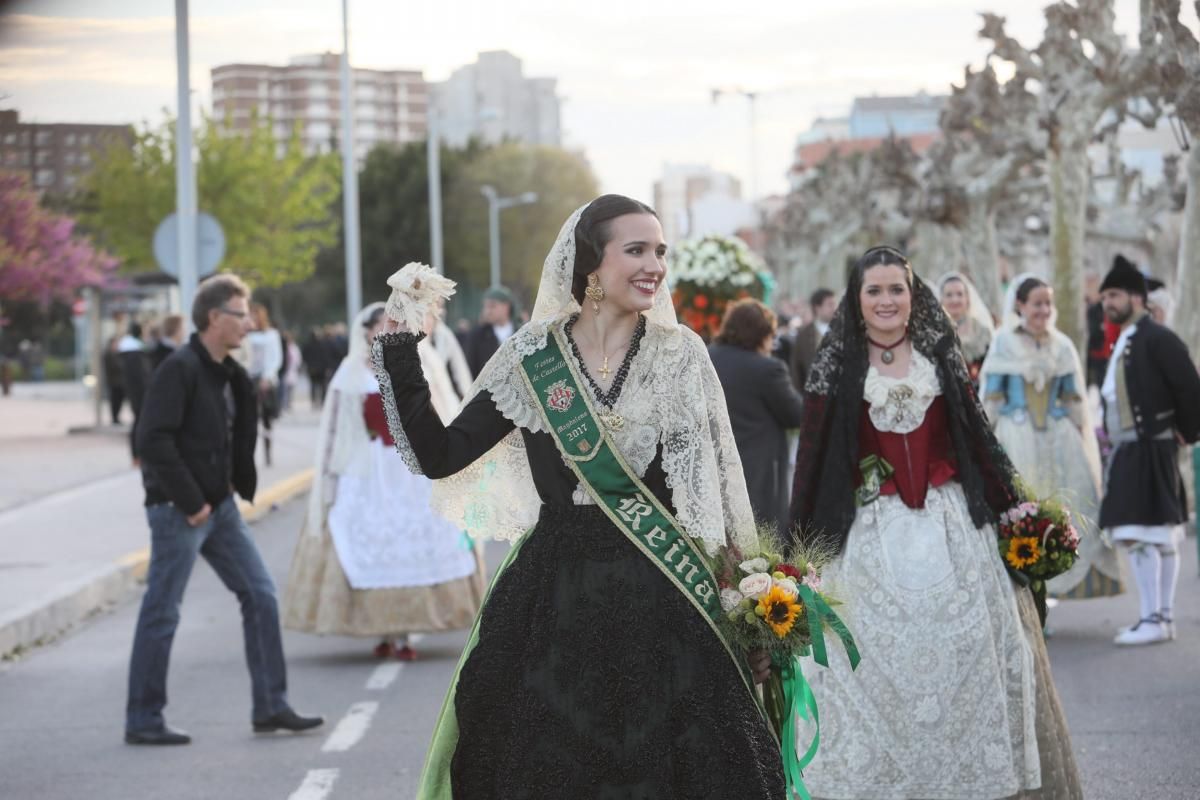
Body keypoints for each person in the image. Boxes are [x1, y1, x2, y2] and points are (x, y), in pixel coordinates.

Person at [374, 195, 784, 798]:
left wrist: (747, 603)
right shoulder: (531, 358)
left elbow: (710, 495)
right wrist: (404, 351)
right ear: (591, 265)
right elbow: (440, 455)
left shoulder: (680, 356)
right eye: (637, 250)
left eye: (660, 252)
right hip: (553, 594)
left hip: (664, 595)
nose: (655, 266)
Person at [788, 246, 1081, 799]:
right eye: (873, 291)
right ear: (857, 299)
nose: (885, 301)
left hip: (952, 530)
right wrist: (797, 553)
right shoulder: (837, 364)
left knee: (968, 658)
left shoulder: (937, 353)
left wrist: (1018, 512)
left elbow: (977, 437)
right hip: (869, 538)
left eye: (896, 289)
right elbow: (813, 461)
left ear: (912, 292)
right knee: (872, 672)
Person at [125, 273, 322, 746]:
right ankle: (143, 718)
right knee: (163, 611)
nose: (251, 324)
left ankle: (271, 706)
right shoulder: (180, 368)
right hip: (180, 509)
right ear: (214, 318)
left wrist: (232, 485)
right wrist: (192, 502)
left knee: (261, 595)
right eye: (241, 314)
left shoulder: (228, 371)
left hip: (220, 508)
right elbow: (152, 438)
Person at [282, 303, 485, 660]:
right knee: (361, 537)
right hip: (370, 468)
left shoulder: (419, 361)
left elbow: (442, 410)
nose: (382, 330)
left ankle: (405, 635)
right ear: (365, 332)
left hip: (412, 468)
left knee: (416, 540)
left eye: (388, 325)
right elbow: (335, 430)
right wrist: (330, 477)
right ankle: (384, 631)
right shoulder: (349, 372)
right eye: (377, 326)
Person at [980, 275, 1123, 600]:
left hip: (1059, 441)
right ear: (1021, 305)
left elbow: (1074, 400)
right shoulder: (1004, 343)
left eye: (1048, 303)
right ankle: (1027, 592)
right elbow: (993, 400)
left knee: (1066, 507)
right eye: (1037, 303)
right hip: (1017, 436)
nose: (1044, 310)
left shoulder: (1062, 345)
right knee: (1018, 509)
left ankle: (1052, 586)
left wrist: (1081, 434)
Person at [1097, 255, 1200, 646]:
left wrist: (1187, 432)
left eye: (1114, 294)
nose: (1107, 301)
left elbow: (1190, 386)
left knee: (1146, 534)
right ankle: (1159, 618)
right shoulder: (1126, 337)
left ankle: (1154, 618)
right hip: (1132, 450)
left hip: (1147, 450)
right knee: (1154, 535)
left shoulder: (1156, 337)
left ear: (1137, 298)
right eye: (1105, 295)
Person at [708, 298, 804, 535]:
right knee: (760, 545)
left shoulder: (708, 357)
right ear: (761, 334)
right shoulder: (767, 369)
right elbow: (796, 415)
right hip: (757, 471)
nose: (772, 344)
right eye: (771, 336)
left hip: (711, 465)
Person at [937, 271, 994, 383]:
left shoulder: (982, 332)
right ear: (941, 300)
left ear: (967, 298)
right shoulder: (933, 332)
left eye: (959, 294)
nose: (955, 300)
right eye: (949, 295)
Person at [246, 302, 284, 465]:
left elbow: (276, 358)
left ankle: (268, 454)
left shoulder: (272, 335)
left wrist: (267, 377)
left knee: (267, 419)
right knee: (249, 419)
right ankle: (249, 455)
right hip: (248, 378)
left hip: (266, 380)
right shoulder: (245, 334)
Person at [463, 286, 517, 377]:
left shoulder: (521, 332)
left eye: (492, 306)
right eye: (485, 306)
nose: (487, 311)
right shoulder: (477, 336)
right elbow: (470, 371)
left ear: (506, 307)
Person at [788, 287, 836, 392]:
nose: (835, 308)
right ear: (817, 307)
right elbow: (796, 369)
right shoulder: (803, 335)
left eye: (834, 304)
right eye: (830, 305)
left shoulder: (844, 332)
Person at [119, 323, 150, 461]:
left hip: (134, 393)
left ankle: (137, 454)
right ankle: (137, 454)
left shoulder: (127, 350)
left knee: (138, 422)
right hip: (140, 394)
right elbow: (142, 376)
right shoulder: (136, 352)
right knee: (139, 422)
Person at [302, 327, 331, 407]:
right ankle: (322, 400)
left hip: (311, 368)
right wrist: (327, 367)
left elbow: (304, 357)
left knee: (313, 385)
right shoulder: (322, 345)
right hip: (321, 369)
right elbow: (325, 357)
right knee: (322, 386)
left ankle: (314, 401)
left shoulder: (307, 345)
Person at [104, 335, 126, 425]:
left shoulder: (118, 353)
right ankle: (114, 418)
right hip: (113, 382)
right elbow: (115, 367)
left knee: (119, 400)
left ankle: (117, 417)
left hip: (120, 382)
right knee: (114, 401)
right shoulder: (108, 354)